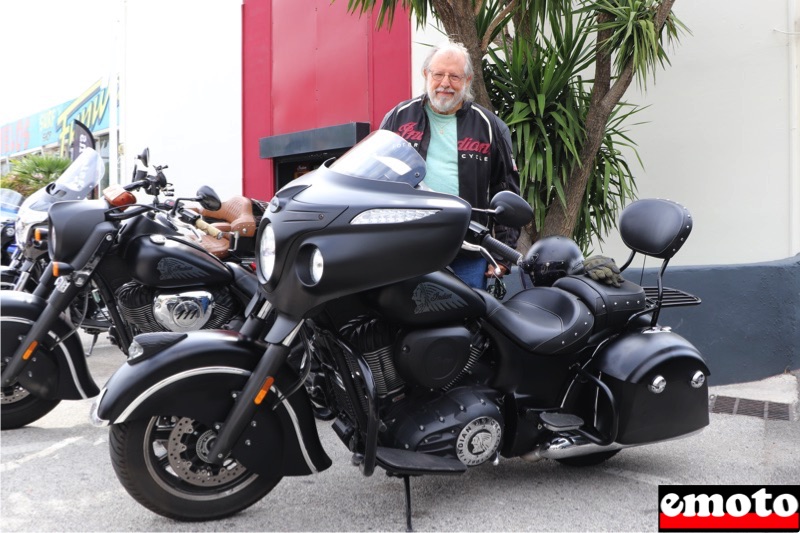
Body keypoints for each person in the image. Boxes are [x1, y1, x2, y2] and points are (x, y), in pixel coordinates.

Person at [379, 41, 521, 290]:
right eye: (438, 74)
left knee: (465, 325)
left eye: (454, 76)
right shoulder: (398, 118)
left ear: (467, 80)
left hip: (466, 253)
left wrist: (501, 255)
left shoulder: (490, 126)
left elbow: (506, 191)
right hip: (405, 251)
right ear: (426, 75)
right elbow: (374, 182)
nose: (445, 83)